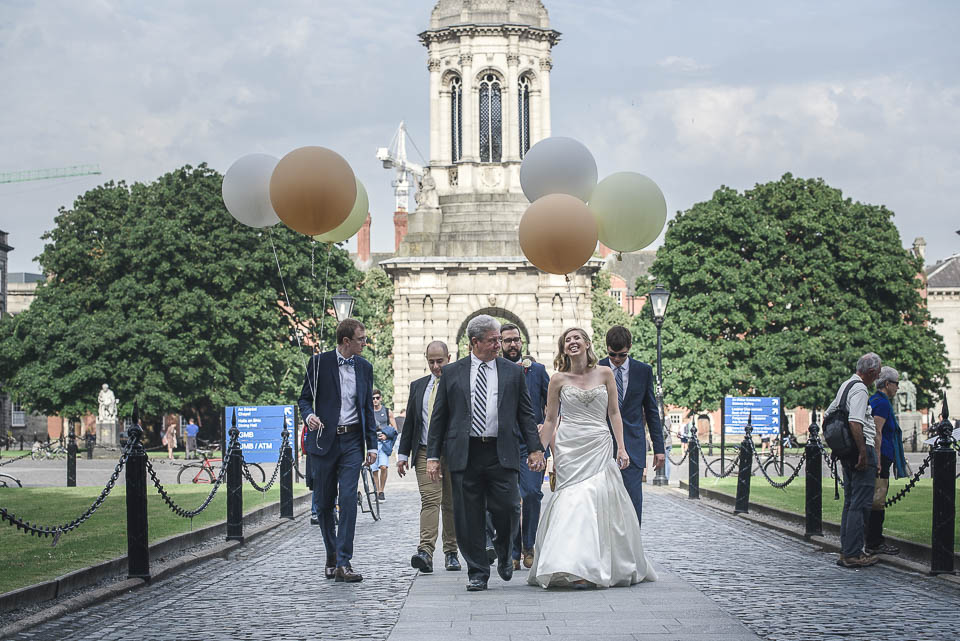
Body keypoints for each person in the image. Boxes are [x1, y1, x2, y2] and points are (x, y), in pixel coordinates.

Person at [528, 327, 658, 589]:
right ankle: (567, 563)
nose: (573, 342)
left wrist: (621, 448)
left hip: (599, 443)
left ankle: (592, 565)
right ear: (563, 348)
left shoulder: (605, 373)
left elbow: (614, 414)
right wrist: (540, 450)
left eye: (577, 338)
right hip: (570, 446)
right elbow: (551, 419)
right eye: (567, 340)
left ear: (587, 344)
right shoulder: (557, 379)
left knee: (595, 498)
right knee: (571, 501)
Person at [426, 315, 546, 592]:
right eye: (492, 341)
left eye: (498, 341)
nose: (498, 346)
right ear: (474, 342)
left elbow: (526, 414)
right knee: (468, 516)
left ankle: (505, 552)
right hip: (464, 453)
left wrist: (535, 448)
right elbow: (439, 418)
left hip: (500, 452)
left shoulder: (513, 372)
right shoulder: (452, 373)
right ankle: (478, 571)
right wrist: (433, 456)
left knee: (508, 508)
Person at [297, 318, 378, 583]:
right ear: (346, 341)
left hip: (353, 442)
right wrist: (309, 416)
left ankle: (344, 561)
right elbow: (304, 398)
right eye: (361, 339)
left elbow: (367, 408)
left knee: (347, 501)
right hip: (323, 441)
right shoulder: (319, 363)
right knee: (323, 503)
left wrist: (373, 445)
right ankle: (331, 554)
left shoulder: (365, 367)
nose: (365, 342)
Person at [397, 341, 461, 573]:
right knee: (430, 500)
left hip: (452, 453)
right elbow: (411, 423)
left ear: (449, 358)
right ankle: (425, 551)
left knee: (451, 503)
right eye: (431, 362)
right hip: (424, 451)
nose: (435, 366)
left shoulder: (458, 384)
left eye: (439, 361)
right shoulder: (418, 386)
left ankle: (451, 552)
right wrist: (403, 454)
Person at [597, 326, 665, 528]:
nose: (616, 359)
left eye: (622, 355)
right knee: (604, 501)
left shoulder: (643, 371)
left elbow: (652, 411)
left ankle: (632, 549)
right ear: (606, 348)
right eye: (612, 354)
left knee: (632, 502)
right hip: (602, 447)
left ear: (630, 348)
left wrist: (659, 449)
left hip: (633, 446)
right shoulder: (596, 369)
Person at [500, 323, 550, 570]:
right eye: (507, 340)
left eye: (516, 340)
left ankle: (529, 544)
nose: (512, 344)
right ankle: (514, 550)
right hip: (505, 445)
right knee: (509, 500)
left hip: (533, 445)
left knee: (531, 494)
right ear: (500, 343)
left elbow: (553, 403)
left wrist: (546, 426)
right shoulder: (495, 370)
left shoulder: (538, 371)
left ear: (522, 342)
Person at [826, 352, 882, 569]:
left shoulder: (845, 385)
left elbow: (830, 414)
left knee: (850, 503)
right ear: (870, 372)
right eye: (876, 374)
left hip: (846, 452)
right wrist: (862, 452)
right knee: (860, 504)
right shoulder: (859, 389)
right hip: (861, 449)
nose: (876, 379)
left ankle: (847, 550)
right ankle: (854, 554)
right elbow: (855, 422)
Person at [866, 366, 908, 556]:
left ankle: (871, 540)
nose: (898, 388)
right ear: (887, 384)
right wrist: (878, 461)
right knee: (877, 502)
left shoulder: (874, 400)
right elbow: (877, 431)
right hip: (880, 457)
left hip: (879, 457)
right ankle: (875, 542)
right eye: (896, 384)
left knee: (874, 500)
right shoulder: (881, 403)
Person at [371, 389, 398, 502]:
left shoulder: (387, 412)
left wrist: (386, 436)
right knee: (374, 470)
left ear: (381, 398)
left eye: (377, 398)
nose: (375, 400)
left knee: (383, 466)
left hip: (384, 444)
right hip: (372, 443)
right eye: (373, 398)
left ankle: (381, 490)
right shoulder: (368, 412)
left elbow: (395, 429)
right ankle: (378, 492)